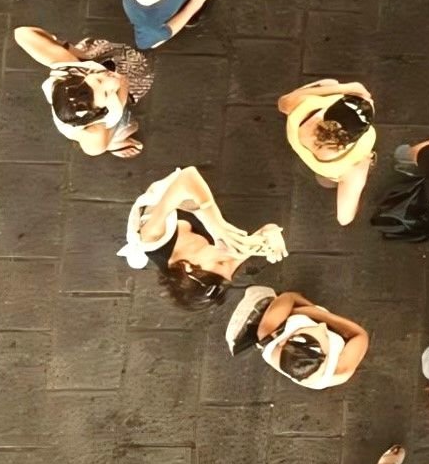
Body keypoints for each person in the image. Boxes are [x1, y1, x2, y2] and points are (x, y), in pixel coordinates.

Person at [118, 165, 287, 309]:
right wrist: (269, 234)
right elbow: (252, 244)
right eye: (230, 268)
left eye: (220, 262)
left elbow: (188, 176)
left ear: (188, 267)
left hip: (172, 193)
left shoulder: (152, 236)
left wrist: (216, 223)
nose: (230, 258)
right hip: (194, 206)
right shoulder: (219, 265)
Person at [228, 285, 370, 388]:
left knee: (278, 305)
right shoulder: (340, 371)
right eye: (326, 336)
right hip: (306, 314)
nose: (323, 327)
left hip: (293, 315)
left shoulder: (268, 332)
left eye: (310, 329)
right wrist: (321, 315)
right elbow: (360, 335)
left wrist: (300, 312)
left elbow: (290, 296)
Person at [280, 78, 379, 224]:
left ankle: (327, 179)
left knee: (333, 85)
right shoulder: (356, 163)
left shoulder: (304, 107)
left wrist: (349, 87)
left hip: (313, 159)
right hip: (335, 170)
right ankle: (333, 181)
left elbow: (283, 103)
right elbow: (344, 218)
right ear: (353, 138)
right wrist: (364, 165)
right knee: (331, 182)